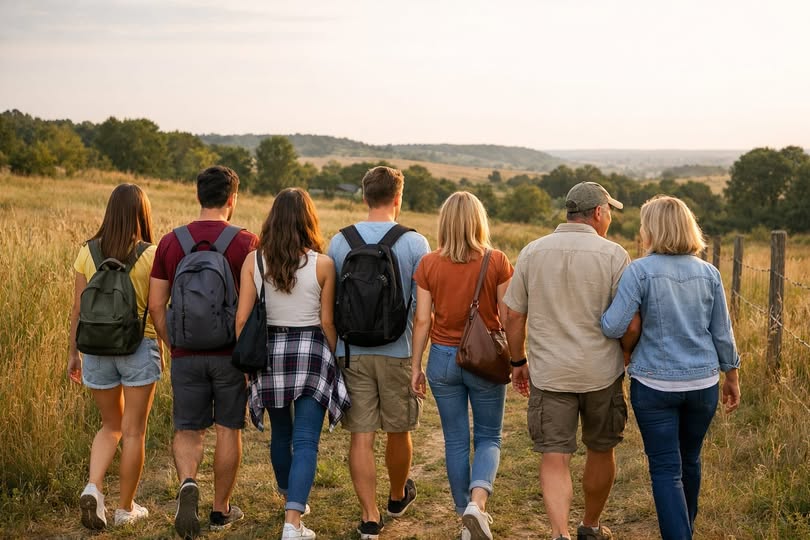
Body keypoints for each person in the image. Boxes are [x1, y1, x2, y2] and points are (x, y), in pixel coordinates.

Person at [601, 196, 741, 540]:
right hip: (703, 384)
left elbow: (614, 326)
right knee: (690, 460)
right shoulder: (709, 273)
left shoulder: (639, 271)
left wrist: (603, 316)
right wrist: (732, 376)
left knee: (666, 468)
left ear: (653, 230)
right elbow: (722, 332)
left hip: (654, 386)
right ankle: (684, 528)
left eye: (643, 224)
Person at [504, 181, 634, 540]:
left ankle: (560, 534)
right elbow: (629, 319)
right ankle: (590, 526)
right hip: (602, 372)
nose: (609, 218)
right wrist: (626, 354)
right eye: (609, 212)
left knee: (554, 456)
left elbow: (513, 315)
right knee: (601, 447)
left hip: (549, 373)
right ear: (597, 213)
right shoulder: (614, 256)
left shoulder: (532, 252)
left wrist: (518, 361)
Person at [149, 166, 258, 539]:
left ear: (198, 196)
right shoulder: (246, 243)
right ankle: (220, 509)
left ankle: (189, 482)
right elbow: (254, 307)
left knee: (188, 428)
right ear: (232, 199)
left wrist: (173, 344)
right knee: (229, 429)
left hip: (186, 353)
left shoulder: (170, 242)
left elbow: (155, 305)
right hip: (230, 355)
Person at [236, 187, 351, 540]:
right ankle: (293, 520)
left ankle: (291, 497)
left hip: (268, 352)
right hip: (311, 351)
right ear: (308, 221)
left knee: (281, 432)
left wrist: (246, 367)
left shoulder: (254, 261)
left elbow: (241, 320)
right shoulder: (323, 264)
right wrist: (333, 359)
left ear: (273, 220)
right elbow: (327, 321)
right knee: (305, 441)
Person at [327, 166, 431, 540]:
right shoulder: (415, 244)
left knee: (362, 436)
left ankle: (370, 518)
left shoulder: (340, 242)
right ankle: (397, 496)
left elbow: (330, 303)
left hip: (351, 351)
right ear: (398, 198)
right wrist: (418, 360)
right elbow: (423, 313)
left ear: (364, 196)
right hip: (398, 351)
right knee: (398, 430)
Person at [410, 192, 513, 540]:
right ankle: (477, 504)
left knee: (455, 440)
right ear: (478, 221)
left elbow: (422, 320)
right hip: (483, 359)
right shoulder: (497, 261)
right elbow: (506, 316)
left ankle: (464, 519)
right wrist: (516, 359)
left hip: (442, 358)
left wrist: (415, 367)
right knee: (489, 436)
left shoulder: (427, 264)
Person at [67, 183, 161, 530]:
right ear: (143, 213)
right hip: (138, 348)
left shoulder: (87, 252)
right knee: (134, 431)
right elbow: (156, 307)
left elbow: (77, 308)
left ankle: (93, 487)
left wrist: (72, 353)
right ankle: (125, 508)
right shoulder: (151, 254)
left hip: (94, 348)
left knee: (110, 426)